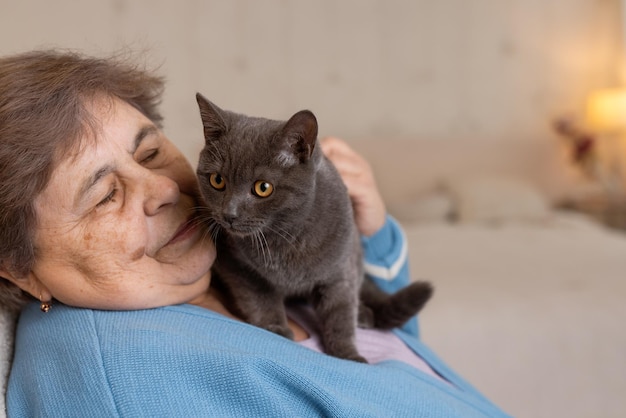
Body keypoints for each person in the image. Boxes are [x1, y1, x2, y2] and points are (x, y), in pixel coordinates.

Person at [0, 50, 510, 417]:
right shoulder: (120, 378)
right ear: (23, 271)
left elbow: (391, 379)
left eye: (151, 152)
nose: (163, 188)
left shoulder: (219, 253)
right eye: (105, 195)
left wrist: (370, 239)